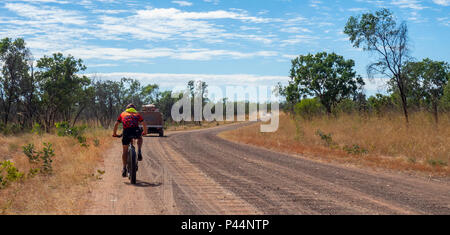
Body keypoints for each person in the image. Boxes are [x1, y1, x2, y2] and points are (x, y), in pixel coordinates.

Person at [113, 103, 147, 177]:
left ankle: (124, 168)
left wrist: (114, 134)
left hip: (126, 132)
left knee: (125, 151)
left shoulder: (123, 114)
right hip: (135, 131)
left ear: (126, 108)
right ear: (134, 108)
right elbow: (143, 123)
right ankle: (139, 151)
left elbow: (116, 124)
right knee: (140, 137)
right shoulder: (137, 114)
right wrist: (145, 132)